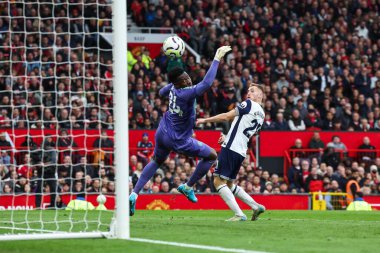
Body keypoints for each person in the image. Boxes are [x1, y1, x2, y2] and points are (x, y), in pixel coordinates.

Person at [129, 46, 232, 216]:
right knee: (212, 155)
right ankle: (188, 186)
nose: (189, 80)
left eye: (187, 77)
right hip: (178, 138)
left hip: (163, 131)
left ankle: (134, 194)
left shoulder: (172, 88)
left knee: (156, 161)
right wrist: (217, 58)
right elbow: (206, 84)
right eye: (184, 79)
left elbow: (161, 91)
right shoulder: (185, 93)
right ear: (179, 83)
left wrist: (173, 85)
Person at [196, 83, 265, 221]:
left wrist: (205, 120)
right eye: (248, 91)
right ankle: (256, 206)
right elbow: (244, 129)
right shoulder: (262, 114)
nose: (248, 93)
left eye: (252, 91)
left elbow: (227, 116)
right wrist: (227, 137)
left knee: (217, 181)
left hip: (231, 147)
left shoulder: (248, 104)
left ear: (260, 95)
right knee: (229, 184)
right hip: (241, 151)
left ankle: (239, 214)